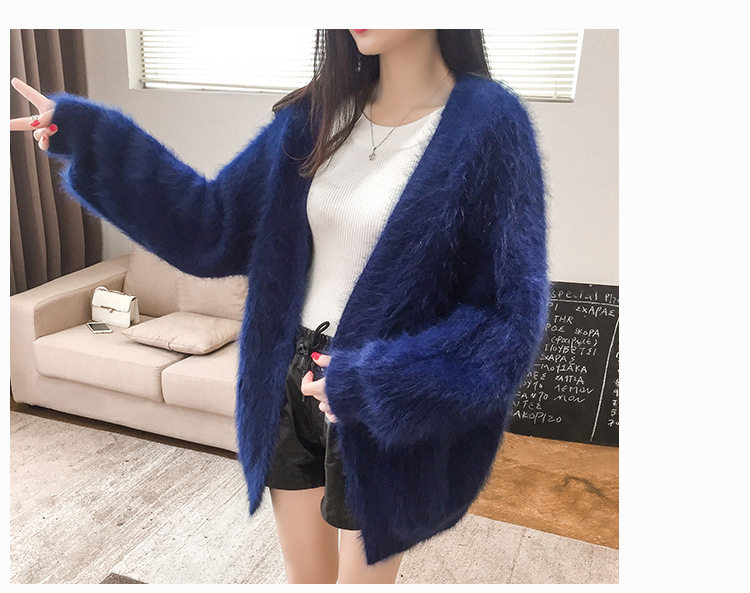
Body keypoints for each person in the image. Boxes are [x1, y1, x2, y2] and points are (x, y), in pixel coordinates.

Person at [10, 29, 550, 584]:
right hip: (284, 376)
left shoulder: (488, 123)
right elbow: (211, 225)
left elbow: (507, 318)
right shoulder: (316, 115)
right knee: (304, 575)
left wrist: (379, 383)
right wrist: (97, 141)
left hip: (373, 394)